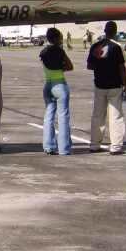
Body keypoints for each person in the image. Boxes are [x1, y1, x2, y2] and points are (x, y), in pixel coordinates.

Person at [87, 21, 126, 155]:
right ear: (115, 31)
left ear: (104, 30)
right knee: (116, 117)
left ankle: (94, 144)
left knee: (97, 115)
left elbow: (90, 65)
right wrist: (125, 86)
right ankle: (115, 146)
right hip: (115, 85)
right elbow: (122, 67)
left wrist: (100, 67)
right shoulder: (116, 47)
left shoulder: (95, 46)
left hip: (100, 84)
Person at [39, 27, 73, 155]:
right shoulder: (60, 51)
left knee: (49, 117)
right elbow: (70, 66)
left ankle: (49, 146)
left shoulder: (43, 52)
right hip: (59, 84)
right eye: (59, 37)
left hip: (48, 85)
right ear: (55, 38)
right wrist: (62, 67)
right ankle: (64, 149)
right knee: (63, 117)